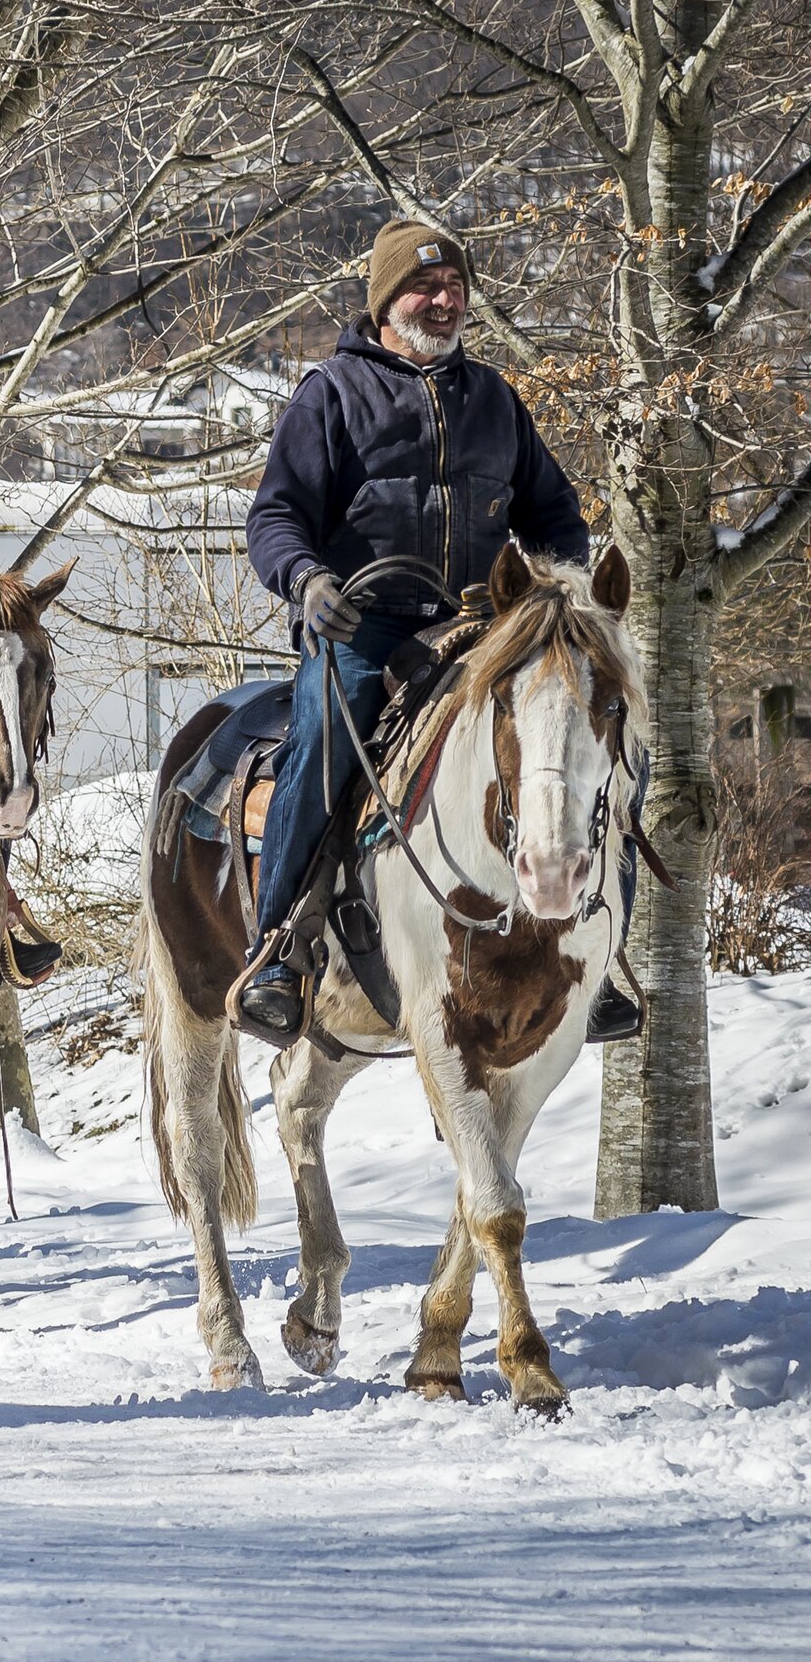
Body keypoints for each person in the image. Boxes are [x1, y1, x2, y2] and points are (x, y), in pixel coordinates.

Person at [233, 217, 635, 1044]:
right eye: (425, 287)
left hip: (479, 627)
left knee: (592, 731)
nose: (444, 300)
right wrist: (307, 583)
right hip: (363, 625)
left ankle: (602, 949)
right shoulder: (332, 395)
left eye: (454, 288)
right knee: (320, 741)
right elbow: (275, 516)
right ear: (385, 299)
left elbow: (555, 516)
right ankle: (279, 947)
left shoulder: (494, 399)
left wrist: (563, 601)